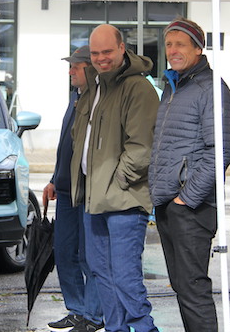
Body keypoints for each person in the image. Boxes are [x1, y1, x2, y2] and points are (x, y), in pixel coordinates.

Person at [70, 24, 160, 332]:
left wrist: (118, 181)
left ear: (123, 48)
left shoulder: (138, 88)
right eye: (95, 53)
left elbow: (142, 147)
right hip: (94, 198)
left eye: (107, 51)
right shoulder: (95, 86)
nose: (101, 58)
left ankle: (145, 329)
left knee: (125, 277)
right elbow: (81, 138)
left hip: (124, 199)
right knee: (101, 274)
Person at [148, 17, 230, 332]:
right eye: (169, 44)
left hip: (192, 207)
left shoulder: (210, 89)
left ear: (198, 48)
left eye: (180, 44)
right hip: (169, 203)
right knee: (182, 286)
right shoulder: (173, 87)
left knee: (193, 288)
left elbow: (220, 152)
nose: (172, 50)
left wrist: (186, 199)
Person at [43, 46, 104, 332]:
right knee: (65, 252)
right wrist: (54, 179)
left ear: (90, 69)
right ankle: (76, 309)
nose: (70, 71)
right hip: (66, 190)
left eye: (75, 67)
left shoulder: (98, 99)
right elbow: (66, 146)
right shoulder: (75, 97)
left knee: (89, 255)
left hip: (88, 190)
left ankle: (93, 315)